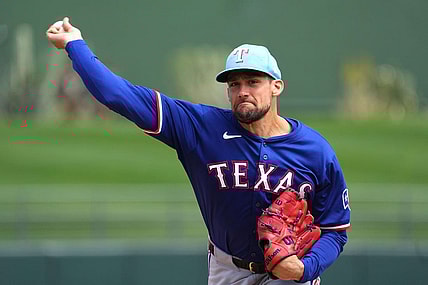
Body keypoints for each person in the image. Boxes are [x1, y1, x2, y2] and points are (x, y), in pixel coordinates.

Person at [46, 17, 351, 285]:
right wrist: (75, 44)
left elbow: (335, 230)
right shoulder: (201, 127)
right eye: (234, 84)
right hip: (227, 270)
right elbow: (117, 94)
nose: (242, 91)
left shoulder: (315, 150)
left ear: (277, 86)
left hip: (291, 275)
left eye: (253, 82)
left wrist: (304, 268)